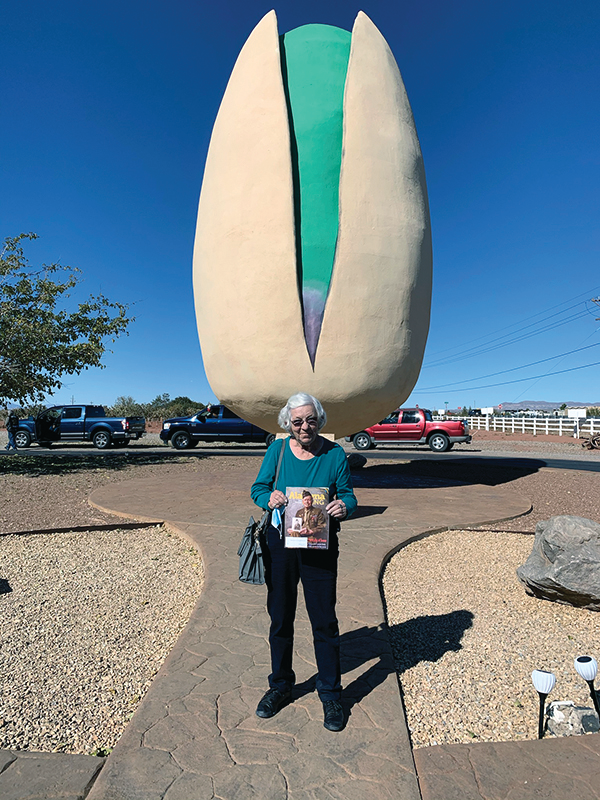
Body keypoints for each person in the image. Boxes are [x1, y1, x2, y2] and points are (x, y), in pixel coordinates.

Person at [250, 392, 357, 732]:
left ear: (319, 420)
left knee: (324, 621)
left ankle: (330, 694)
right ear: (288, 423)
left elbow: (349, 494)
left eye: (310, 420)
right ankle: (280, 686)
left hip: (320, 547)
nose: (304, 426)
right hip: (280, 545)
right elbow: (257, 488)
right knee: (280, 618)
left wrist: (345, 507)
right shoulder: (277, 450)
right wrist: (270, 498)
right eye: (297, 421)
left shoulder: (335, 453)